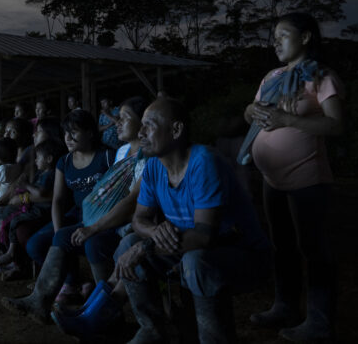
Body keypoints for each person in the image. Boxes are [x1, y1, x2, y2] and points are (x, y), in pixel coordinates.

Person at [97, 98, 271, 343]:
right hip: (194, 250)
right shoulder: (154, 167)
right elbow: (139, 219)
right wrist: (153, 231)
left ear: (176, 130)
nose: (141, 132)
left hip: (242, 254)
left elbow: (204, 236)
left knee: (194, 261)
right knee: (128, 244)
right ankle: (154, 330)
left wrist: (145, 246)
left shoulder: (204, 161)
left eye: (149, 125)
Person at [242, 12, 344, 342]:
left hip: (308, 180)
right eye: (274, 36)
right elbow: (252, 109)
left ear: (305, 38)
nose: (275, 41)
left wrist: (287, 119)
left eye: (283, 35)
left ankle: (318, 321)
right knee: (281, 246)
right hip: (273, 180)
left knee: (313, 249)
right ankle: (285, 306)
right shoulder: (271, 76)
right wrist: (251, 111)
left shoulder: (320, 76)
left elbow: (336, 124)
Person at [1, 97, 148, 325]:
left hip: (120, 222)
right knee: (61, 235)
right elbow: (61, 199)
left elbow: (130, 200)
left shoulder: (119, 155)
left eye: (124, 118)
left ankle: (107, 313)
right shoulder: (122, 153)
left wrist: (94, 228)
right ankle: (40, 301)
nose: (117, 122)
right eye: (65, 133)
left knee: (93, 242)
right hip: (95, 217)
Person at [20, 109, 115, 309]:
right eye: (65, 133)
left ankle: (98, 303)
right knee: (35, 244)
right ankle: (71, 284)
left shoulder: (107, 157)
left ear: (90, 132)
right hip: (77, 214)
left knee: (87, 243)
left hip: (101, 216)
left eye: (74, 132)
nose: (68, 138)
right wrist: (58, 231)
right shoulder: (65, 161)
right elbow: (58, 199)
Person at [0, 138, 66, 277]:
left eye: (38, 158)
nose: (35, 161)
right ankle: (2, 239)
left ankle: (11, 252)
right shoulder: (41, 173)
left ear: (49, 159)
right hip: (34, 205)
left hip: (42, 210)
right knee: (9, 213)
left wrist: (26, 186)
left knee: (16, 221)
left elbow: (41, 193)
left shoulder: (51, 175)